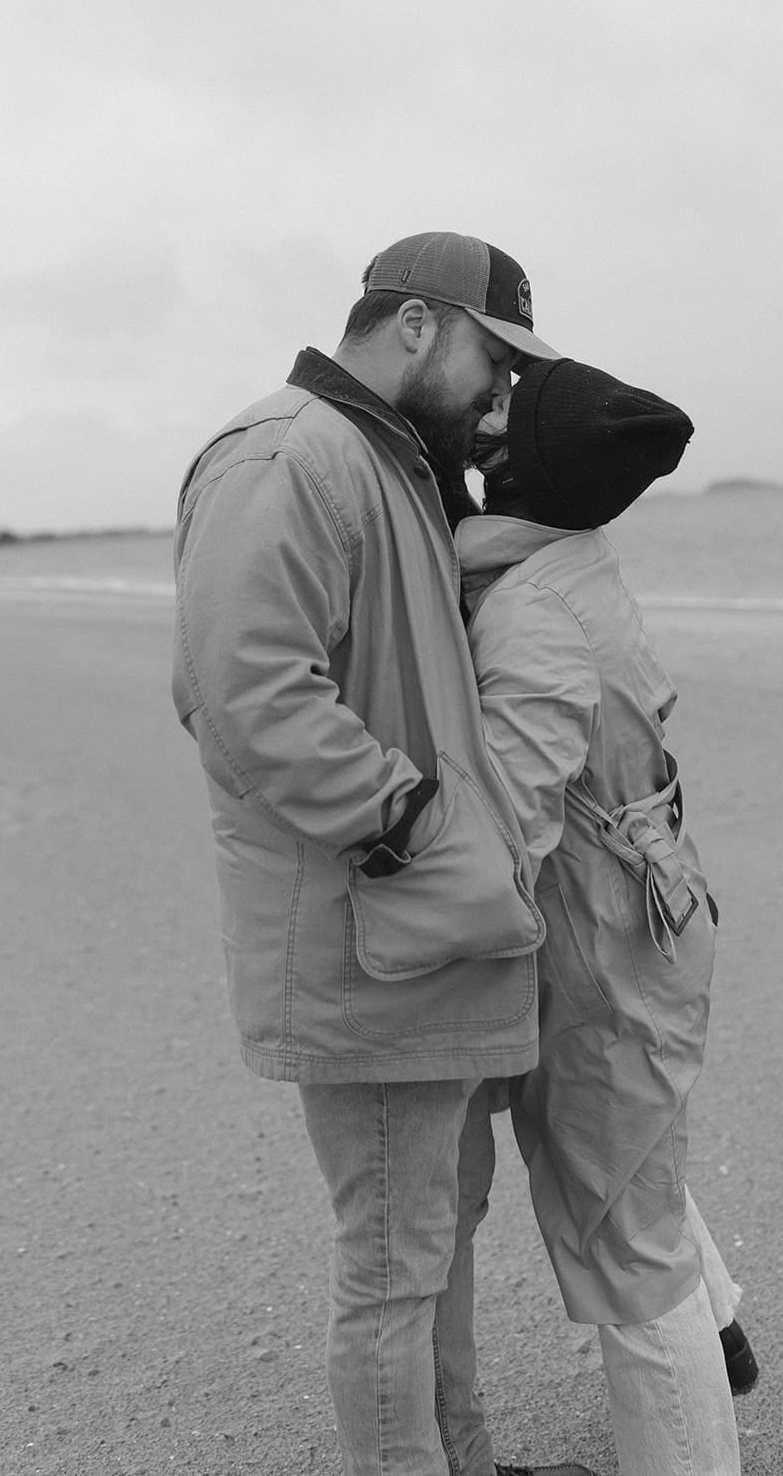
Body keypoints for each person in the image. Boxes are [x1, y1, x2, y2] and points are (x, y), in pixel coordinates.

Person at [171, 232, 593, 1476]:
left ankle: (462, 1457)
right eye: (493, 358)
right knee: (392, 1263)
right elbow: (240, 689)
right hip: (371, 934)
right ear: (415, 326)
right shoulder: (291, 453)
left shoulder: (386, 460)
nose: (501, 393)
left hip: (418, 932)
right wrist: (411, 821)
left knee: (432, 1239)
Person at [456, 358, 746, 1475]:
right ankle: (717, 1319)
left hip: (606, 937)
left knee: (625, 1241)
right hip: (642, 911)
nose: (479, 423)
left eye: (499, 414)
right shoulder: (561, 558)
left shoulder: (527, 609)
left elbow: (514, 823)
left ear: (523, 463)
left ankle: (690, 1422)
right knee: (620, 1162)